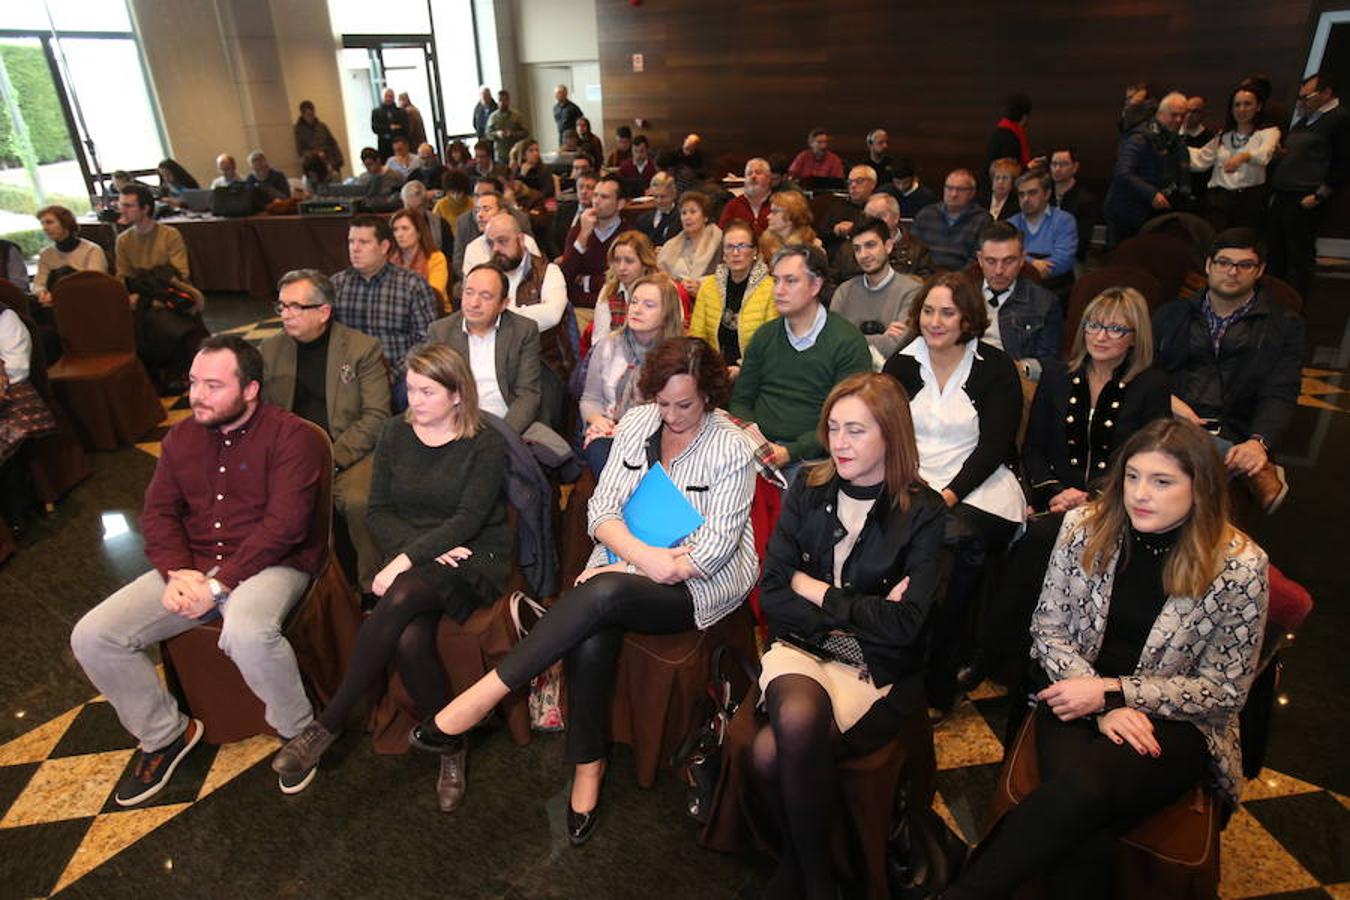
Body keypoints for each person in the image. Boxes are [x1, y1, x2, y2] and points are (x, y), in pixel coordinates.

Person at [407, 336, 757, 836]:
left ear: (710, 396)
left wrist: (630, 567)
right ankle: (587, 766)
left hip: (699, 587)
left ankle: (483, 696)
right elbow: (602, 511)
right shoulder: (638, 424)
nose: (673, 416)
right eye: (663, 403)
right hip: (628, 564)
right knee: (594, 622)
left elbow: (712, 552)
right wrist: (639, 559)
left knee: (601, 596)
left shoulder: (733, 448)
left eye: (686, 405)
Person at [944, 419, 1269, 900]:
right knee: (1084, 825)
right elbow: (1048, 628)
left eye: (1162, 482)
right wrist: (1099, 702)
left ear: (1200, 487)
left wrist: (1115, 692)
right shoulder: (1084, 527)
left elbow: (1224, 691)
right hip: (1075, 693)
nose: (1140, 494)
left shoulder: (1240, 566)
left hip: (1177, 723)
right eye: (1133, 476)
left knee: (1083, 798)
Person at [71, 336, 329, 802]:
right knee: (93, 636)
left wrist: (219, 582)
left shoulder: (293, 437)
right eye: (193, 383)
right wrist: (176, 572)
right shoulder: (181, 437)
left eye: (213, 385)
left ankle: (300, 731)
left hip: (272, 563)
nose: (197, 395)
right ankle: (166, 733)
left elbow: (284, 528)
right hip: (194, 564)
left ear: (250, 389)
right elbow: (158, 515)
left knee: (247, 632)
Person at [270, 342, 511, 810]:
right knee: (406, 640)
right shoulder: (395, 434)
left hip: (472, 554)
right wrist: (414, 553)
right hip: (420, 551)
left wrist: (405, 561)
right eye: (410, 388)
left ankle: (330, 722)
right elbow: (378, 512)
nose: (412, 399)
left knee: (397, 597)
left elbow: (467, 520)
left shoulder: (484, 442)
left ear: (457, 395)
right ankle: (451, 740)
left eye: (426, 391)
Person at [754, 372, 945, 899]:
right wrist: (862, 614)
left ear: (891, 435)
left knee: (773, 752)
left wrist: (816, 592)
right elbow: (771, 595)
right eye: (834, 428)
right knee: (794, 717)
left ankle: (800, 872)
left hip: (874, 671)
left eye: (856, 430)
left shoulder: (923, 512)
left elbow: (906, 629)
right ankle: (820, 885)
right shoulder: (807, 487)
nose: (840, 443)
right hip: (801, 651)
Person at [991, 287, 1171, 713]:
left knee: (1043, 540)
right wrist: (1054, 491)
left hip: (1119, 503)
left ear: (1134, 336)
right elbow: (1032, 447)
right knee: (1028, 537)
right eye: (1094, 323)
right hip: (1056, 496)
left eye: (1114, 328)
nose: (1101, 335)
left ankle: (1042, 665)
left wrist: (1091, 498)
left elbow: (1153, 457)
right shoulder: (1057, 374)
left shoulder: (1150, 386)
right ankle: (1007, 656)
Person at [882, 273, 1025, 716]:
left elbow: (994, 446)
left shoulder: (995, 367)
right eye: (928, 310)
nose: (935, 321)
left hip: (980, 488)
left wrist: (948, 494)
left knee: (960, 543)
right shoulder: (901, 364)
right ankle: (893, 662)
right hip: (914, 481)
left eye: (947, 312)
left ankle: (943, 676)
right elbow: (888, 433)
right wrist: (916, 485)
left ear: (968, 318)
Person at [1152, 229, 1304, 513]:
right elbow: (1143, 369)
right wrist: (1167, 400)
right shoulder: (1171, 314)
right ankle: (1252, 472)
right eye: (1224, 262)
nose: (1232, 272)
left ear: (1260, 271)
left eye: (1244, 265)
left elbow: (1281, 390)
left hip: (1236, 427)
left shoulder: (1283, 324)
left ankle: (1238, 461)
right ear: (1209, 265)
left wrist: (1258, 443)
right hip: (1171, 419)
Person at [260, 270, 390, 592]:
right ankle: (289, 586)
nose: (285, 315)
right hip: (290, 457)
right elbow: (260, 412)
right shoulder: (270, 349)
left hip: (349, 452)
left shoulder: (362, 349)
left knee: (360, 501)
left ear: (323, 311)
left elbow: (376, 416)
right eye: (281, 307)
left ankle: (370, 588)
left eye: (295, 307)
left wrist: (331, 457)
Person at [730, 245, 871, 477]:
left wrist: (791, 451)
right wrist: (756, 442)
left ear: (815, 285)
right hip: (757, 447)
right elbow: (741, 401)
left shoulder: (847, 341)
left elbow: (846, 418)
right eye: (776, 281)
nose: (779, 290)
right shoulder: (765, 335)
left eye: (790, 281)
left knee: (798, 489)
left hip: (814, 456)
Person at [427, 264, 570, 464]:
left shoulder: (523, 331)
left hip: (509, 424)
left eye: (485, 296)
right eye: (469, 293)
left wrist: (500, 437)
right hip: (459, 426)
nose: (474, 303)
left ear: (504, 303)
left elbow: (528, 395)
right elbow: (434, 392)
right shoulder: (440, 332)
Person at [580, 273, 686, 473]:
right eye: (634, 302)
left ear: (667, 313)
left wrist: (633, 428)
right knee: (601, 450)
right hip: (610, 430)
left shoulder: (679, 355)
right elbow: (589, 398)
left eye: (649, 305)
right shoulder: (607, 345)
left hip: (658, 434)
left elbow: (679, 412)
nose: (637, 309)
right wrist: (597, 420)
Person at [331, 214, 438, 411]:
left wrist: (394, 372)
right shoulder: (337, 285)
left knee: (414, 397)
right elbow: (330, 337)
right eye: (351, 241)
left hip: (397, 374)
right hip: (350, 375)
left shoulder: (411, 284)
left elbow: (426, 340)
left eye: (363, 242)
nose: (354, 248)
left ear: (384, 247)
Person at [115, 184, 207, 391]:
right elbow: (123, 276)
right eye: (122, 205)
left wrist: (152, 287)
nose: (123, 210)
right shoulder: (123, 240)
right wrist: (140, 290)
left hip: (173, 294)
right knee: (141, 316)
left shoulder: (169, 235)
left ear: (145, 208)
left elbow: (180, 273)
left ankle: (175, 372)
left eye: (128, 206)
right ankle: (159, 374)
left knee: (158, 316)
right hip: (143, 296)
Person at [1267, 71, 1350, 299]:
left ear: (1326, 93)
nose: (1302, 102)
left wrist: (1320, 195)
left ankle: (1293, 305)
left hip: (1305, 197)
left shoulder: (1339, 119)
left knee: (1298, 257)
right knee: (1276, 253)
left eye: (1307, 96)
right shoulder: (1306, 119)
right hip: (1284, 193)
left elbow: (1342, 163)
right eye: (1300, 97)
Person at [972, 221, 1063, 382]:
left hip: (1014, 380)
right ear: (980, 259)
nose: (999, 271)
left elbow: (1050, 362)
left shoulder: (1045, 302)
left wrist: (1023, 368)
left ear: (1022, 259)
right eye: (991, 261)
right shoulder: (960, 296)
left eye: (1008, 261)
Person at [688, 220, 776, 377]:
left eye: (742, 246)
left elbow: (772, 345)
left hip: (755, 372)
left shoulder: (770, 289)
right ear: (723, 253)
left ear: (754, 251)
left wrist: (742, 370)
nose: (736, 253)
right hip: (714, 372)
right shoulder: (709, 286)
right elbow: (697, 337)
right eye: (730, 247)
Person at [829, 217, 922, 365]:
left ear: (888, 246)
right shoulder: (844, 291)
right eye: (857, 248)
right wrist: (882, 338)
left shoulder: (912, 291)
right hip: (848, 374)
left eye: (870, 245)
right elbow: (830, 343)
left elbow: (894, 346)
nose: (863, 255)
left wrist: (849, 338)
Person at [1187, 85, 1281, 232]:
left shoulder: (1269, 132)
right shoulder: (1223, 136)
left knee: (1243, 244)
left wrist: (1243, 156)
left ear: (1258, 107)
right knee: (1214, 242)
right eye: (1237, 105)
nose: (1241, 109)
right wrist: (1176, 148)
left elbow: (1265, 155)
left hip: (1249, 199)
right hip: (1219, 199)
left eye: (1247, 104)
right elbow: (1201, 159)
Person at [1104, 92, 1190, 245]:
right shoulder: (1140, 137)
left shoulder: (1174, 140)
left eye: (1182, 116)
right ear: (1160, 114)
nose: (1178, 120)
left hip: (1154, 211)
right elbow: (1123, 172)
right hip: (1128, 211)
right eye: (1174, 115)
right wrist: (1151, 194)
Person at [0, 304, 57, 530]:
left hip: (12, 389)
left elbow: (18, 366)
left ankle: (14, 511)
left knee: (8, 435)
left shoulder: (5, 317)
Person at [561, 174, 626, 322]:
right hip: (580, 309)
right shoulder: (578, 231)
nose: (596, 201)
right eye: (595, 195)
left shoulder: (628, 235)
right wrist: (583, 236)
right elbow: (565, 277)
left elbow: (620, 281)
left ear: (620, 204)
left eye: (604, 197)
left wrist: (586, 281)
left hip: (616, 308)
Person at [1009, 169, 1078, 297]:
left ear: (1047, 194)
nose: (1026, 199)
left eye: (1032, 193)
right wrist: (1033, 264)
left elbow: (1064, 260)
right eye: (1021, 194)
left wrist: (1024, 262)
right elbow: (1007, 258)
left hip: (1056, 287)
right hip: (1019, 286)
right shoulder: (1011, 224)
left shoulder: (1064, 220)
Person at [911, 169, 993, 271]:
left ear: (972, 193)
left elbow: (978, 258)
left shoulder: (982, 219)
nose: (954, 194)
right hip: (926, 276)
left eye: (960, 190)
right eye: (949, 188)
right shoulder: (926, 214)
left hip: (964, 278)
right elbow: (913, 250)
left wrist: (956, 278)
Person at [592, 229, 664, 340]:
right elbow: (599, 340)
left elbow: (671, 335)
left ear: (645, 263)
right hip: (615, 353)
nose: (621, 268)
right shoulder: (608, 290)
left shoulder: (663, 290)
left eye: (629, 261)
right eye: (617, 260)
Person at [34, 204, 107, 307]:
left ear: (66, 224)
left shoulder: (92, 250)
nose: (45, 228)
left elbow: (94, 285)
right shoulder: (45, 254)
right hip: (54, 306)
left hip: (89, 304)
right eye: (42, 223)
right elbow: (38, 283)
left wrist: (58, 296)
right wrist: (42, 293)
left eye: (49, 222)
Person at [657, 191, 722, 297]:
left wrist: (701, 285)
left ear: (705, 217)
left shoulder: (719, 242)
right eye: (684, 213)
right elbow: (662, 276)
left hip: (710, 300)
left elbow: (724, 277)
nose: (687, 217)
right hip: (678, 300)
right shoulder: (671, 245)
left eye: (693, 212)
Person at [388, 207, 449, 313]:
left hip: (434, 313)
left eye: (405, 228)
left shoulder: (436, 258)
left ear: (418, 233)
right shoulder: (389, 259)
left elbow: (433, 295)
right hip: (397, 312)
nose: (399, 234)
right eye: (395, 229)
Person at [1048, 147, 1098, 261]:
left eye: (1064, 164)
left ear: (1075, 167)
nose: (1057, 169)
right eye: (1054, 164)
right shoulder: (1044, 196)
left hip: (1071, 258)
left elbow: (1082, 241)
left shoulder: (1085, 200)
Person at [821, 165, 879, 249]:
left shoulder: (879, 206)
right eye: (850, 182)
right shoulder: (839, 206)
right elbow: (821, 235)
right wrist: (835, 231)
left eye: (859, 181)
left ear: (873, 184)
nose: (853, 186)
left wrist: (854, 228)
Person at [758, 190, 821, 264]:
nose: (768, 216)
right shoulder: (765, 243)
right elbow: (757, 273)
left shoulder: (813, 247)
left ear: (792, 215)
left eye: (775, 212)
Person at [719, 157, 774, 237]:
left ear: (768, 178)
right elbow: (721, 235)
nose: (753, 176)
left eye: (758, 173)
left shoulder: (778, 203)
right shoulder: (733, 205)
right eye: (749, 173)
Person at [294, 100, 345, 174]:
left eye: (312, 114)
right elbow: (301, 151)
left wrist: (338, 161)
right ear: (303, 115)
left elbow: (333, 143)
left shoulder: (322, 127)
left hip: (331, 163)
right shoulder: (298, 131)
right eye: (308, 115)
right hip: (314, 166)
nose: (311, 117)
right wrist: (316, 154)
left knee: (336, 184)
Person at [987, 93, 1034, 167]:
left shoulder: (1000, 131)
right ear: (1024, 117)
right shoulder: (1011, 136)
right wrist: (1029, 167)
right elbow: (1009, 168)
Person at [636, 171, 682, 247]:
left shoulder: (681, 219)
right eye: (655, 197)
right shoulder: (643, 220)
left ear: (674, 195)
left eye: (663, 197)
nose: (659, 201)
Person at [399, 179, 444, 250]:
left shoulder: (440, 223)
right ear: (403, 204)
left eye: (418, 207)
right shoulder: (395, 225)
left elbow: (448, 254)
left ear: (426, 204)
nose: (413, 212)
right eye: (409, 207)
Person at [487, 90, 529, 166]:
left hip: (515, 152)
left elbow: (525, 133)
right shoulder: (493, 117)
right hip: (500, 153)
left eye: (504, 100)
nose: (502, 103)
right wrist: (497, 134)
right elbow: (488, 134)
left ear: (508, 101)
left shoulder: (517, 116)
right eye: (500, 100)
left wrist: (512, 134)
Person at [433, 169, 473, 242]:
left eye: (459, 192)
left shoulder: (473, 204)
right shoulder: (441, 205)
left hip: (469, 240)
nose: (455, 196)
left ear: (465, 190)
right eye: (452, 192)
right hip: (448, 241)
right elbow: (435, 228)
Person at [371, 88, 410, 159]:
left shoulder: (401, 112)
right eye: (386, 96)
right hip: (384, 145)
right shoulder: (376, 112)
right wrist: (389, 128)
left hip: (400, 144)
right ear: (383, 97)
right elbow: (375, 128)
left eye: (390, 96)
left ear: (394, 98)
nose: (388, 98)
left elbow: (406, 128)